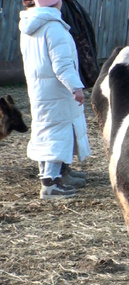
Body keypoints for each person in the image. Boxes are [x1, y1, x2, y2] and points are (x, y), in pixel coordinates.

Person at [19, 0, 91, 199]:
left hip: (41, 91)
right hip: (57, 93)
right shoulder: (54, 28)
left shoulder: (29, 26)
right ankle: (51, 184)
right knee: (57, 134)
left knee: (47, 131)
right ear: (57, 5)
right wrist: (75, 87)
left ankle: (58, 175)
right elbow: (62, 65)